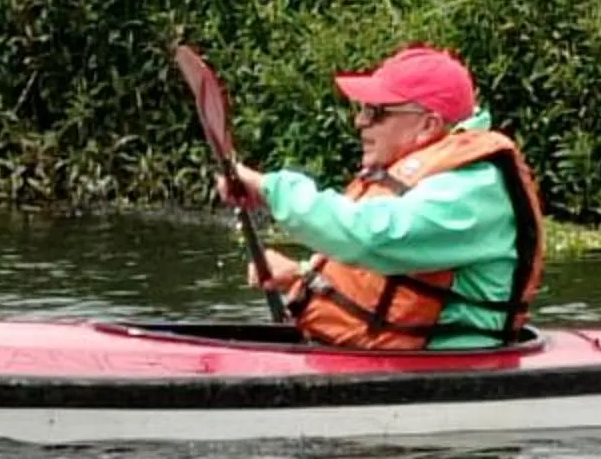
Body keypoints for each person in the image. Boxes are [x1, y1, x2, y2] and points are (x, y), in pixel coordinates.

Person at [219, 45, 545, 350]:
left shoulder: (472, 191)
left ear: (427, 125)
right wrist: (302, 276)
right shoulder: (435, 177)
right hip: (397, 366)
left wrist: (269, 188)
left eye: (375, 112)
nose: (360, 122)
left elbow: (370, 237)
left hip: (449, 379)